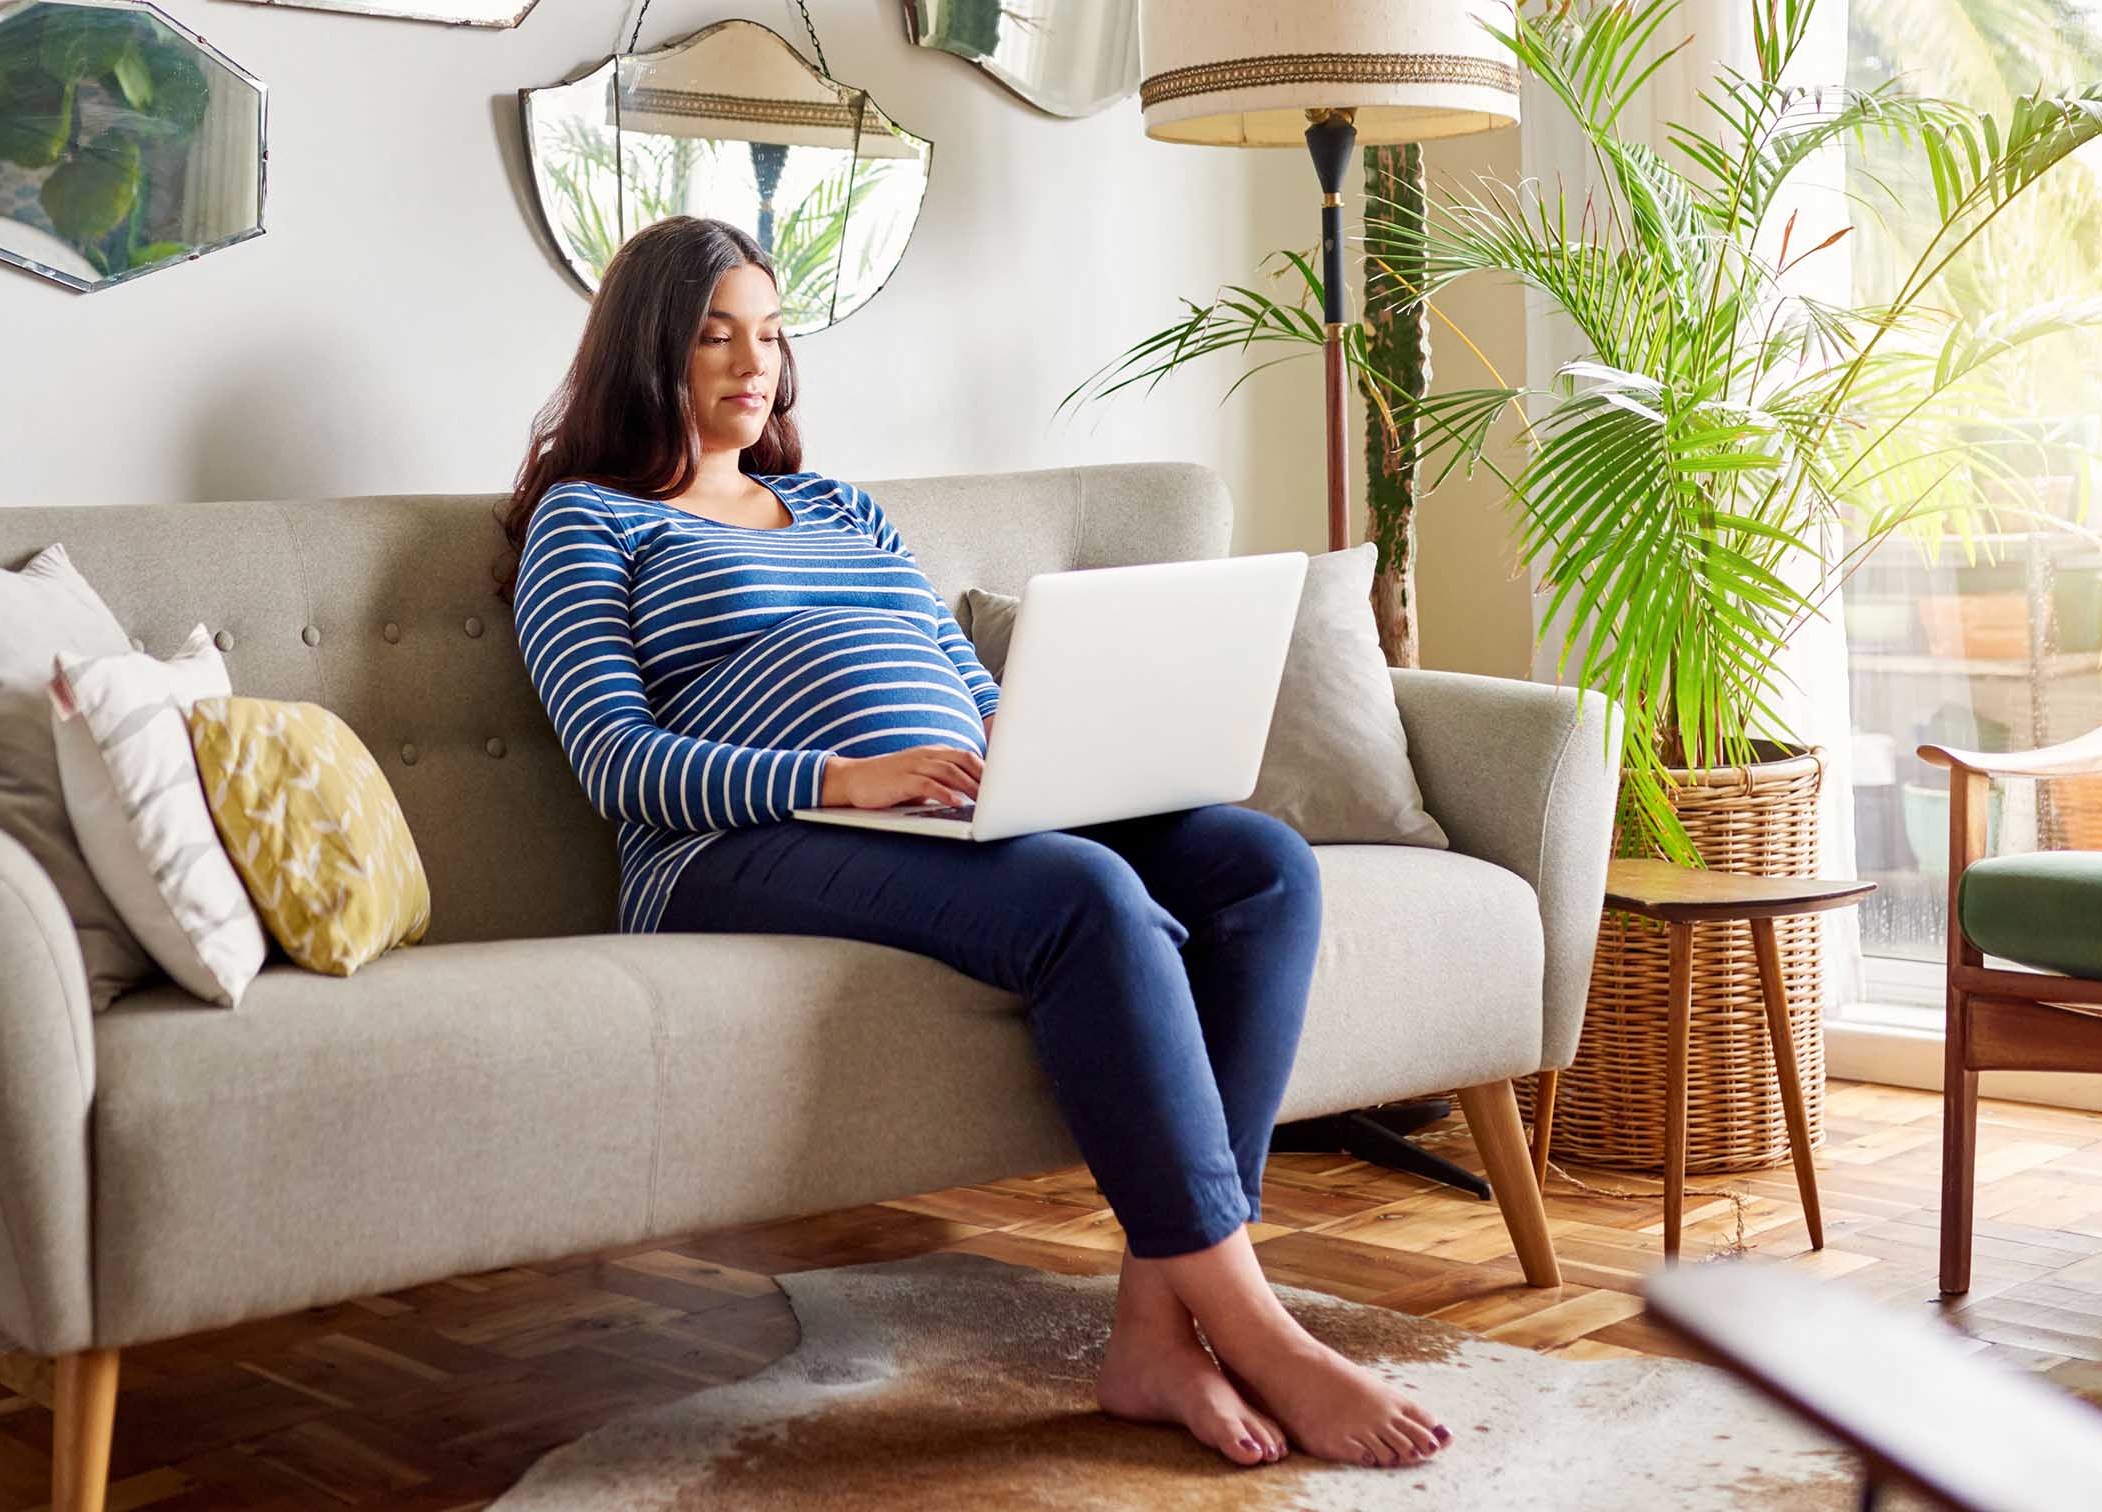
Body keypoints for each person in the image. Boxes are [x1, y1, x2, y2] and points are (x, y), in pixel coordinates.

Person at [496, 216, 1448, 1470]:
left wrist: (1039, 761)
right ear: (643, 352)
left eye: (771, 334)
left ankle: (1156, 1327)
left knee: (1259, 865)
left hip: (953, 814)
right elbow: (621, 766)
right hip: (732, 851)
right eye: (713, 334)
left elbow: (967, 679)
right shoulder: (590, 522)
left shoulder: (840, 507)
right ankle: (1249, 1318)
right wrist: (849, 775)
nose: (753, 362)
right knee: (1084, 897)